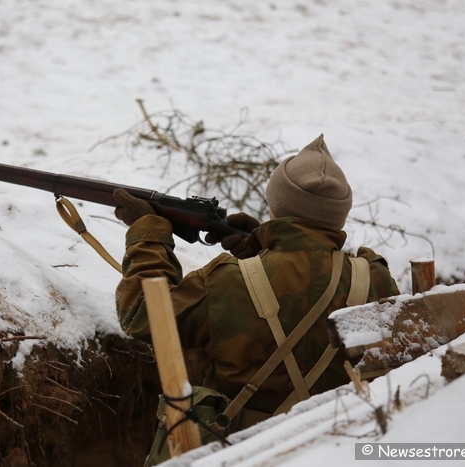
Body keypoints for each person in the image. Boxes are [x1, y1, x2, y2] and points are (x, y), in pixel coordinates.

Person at [113, 134, 400, 464]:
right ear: (339, 217)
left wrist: (147, 233)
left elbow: (141, 315)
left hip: (244, 453)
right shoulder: (374, 278)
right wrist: (267, 243)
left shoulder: (227, 280)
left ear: (275, 206)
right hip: (340, 448)